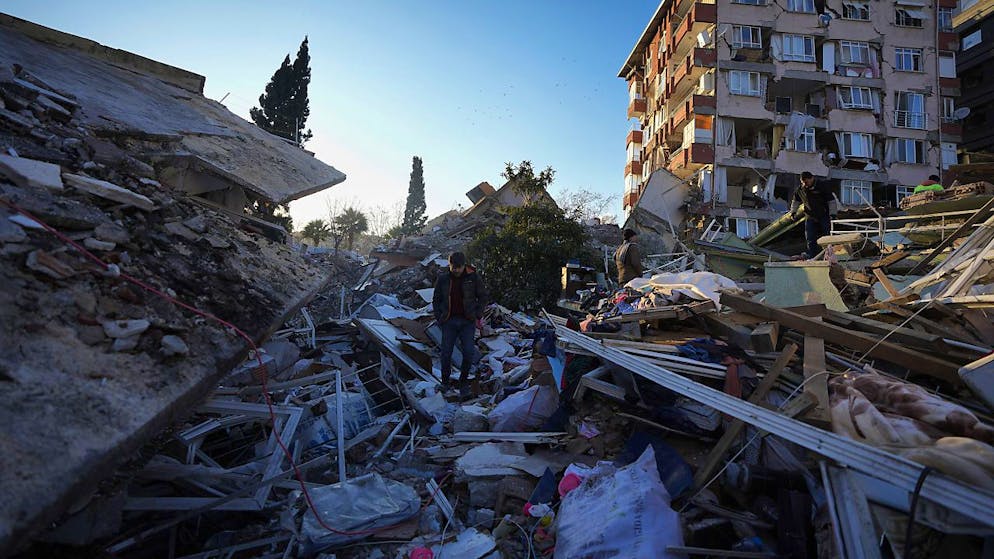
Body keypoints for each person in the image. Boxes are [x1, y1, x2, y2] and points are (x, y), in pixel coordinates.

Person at [432, 251, 487, 397]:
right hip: (449, 321)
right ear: (449, 265)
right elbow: (436, 299)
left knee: (468, 352)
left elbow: (482, 296)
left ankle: (463, 383)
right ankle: (445, 383)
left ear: (464, 265)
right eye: (453, 267)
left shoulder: (473, 277)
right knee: (446, 353)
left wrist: (478, 314)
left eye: (458, 267)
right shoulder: (443, 279)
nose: (455, 270)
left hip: (467, 321)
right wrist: (439, 317)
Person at [790, 171, 833, 259]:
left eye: (806, 182)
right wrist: (793, 212)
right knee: (810, 237)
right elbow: (795, 202)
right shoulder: (800, 190)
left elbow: (831, 201)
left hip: (823, 214)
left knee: (827, 235)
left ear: (812, 178)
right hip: (810, 216)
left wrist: (833, 214)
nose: (805, 184)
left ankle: (829, 254)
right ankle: (812, 255)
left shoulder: (822, 186)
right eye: (803, 182)